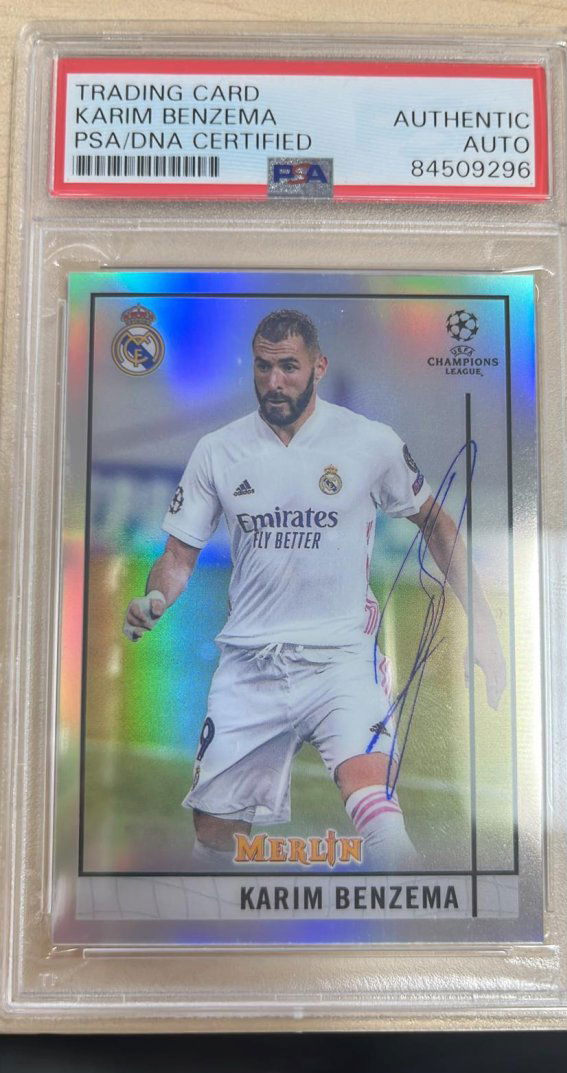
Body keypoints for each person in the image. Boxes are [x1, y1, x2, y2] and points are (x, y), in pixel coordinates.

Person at [123, 309, 505, 871]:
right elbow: (178, 557)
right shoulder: (218, 451)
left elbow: (438, 524)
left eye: (289, 367)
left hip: (340, 661)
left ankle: (420, 921)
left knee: (379, 816)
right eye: (263, 367)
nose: (274, 381)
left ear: (318, 367)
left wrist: (485, 625)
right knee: (213, 843)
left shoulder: (370, 442)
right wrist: (155, 598)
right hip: (250, 665)